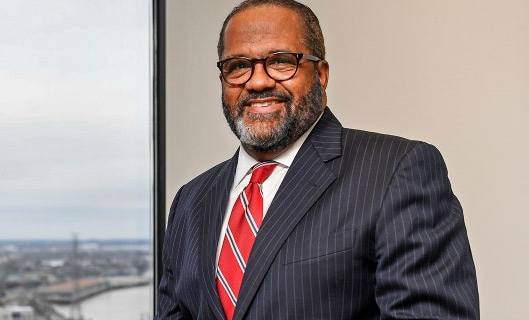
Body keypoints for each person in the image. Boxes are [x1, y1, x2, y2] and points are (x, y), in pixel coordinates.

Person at [155, 0, 479, 319]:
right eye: (238, 66)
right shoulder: (190, 200)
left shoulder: (396, 171)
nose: (257, 81)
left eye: (282, 61)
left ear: (320, 75)